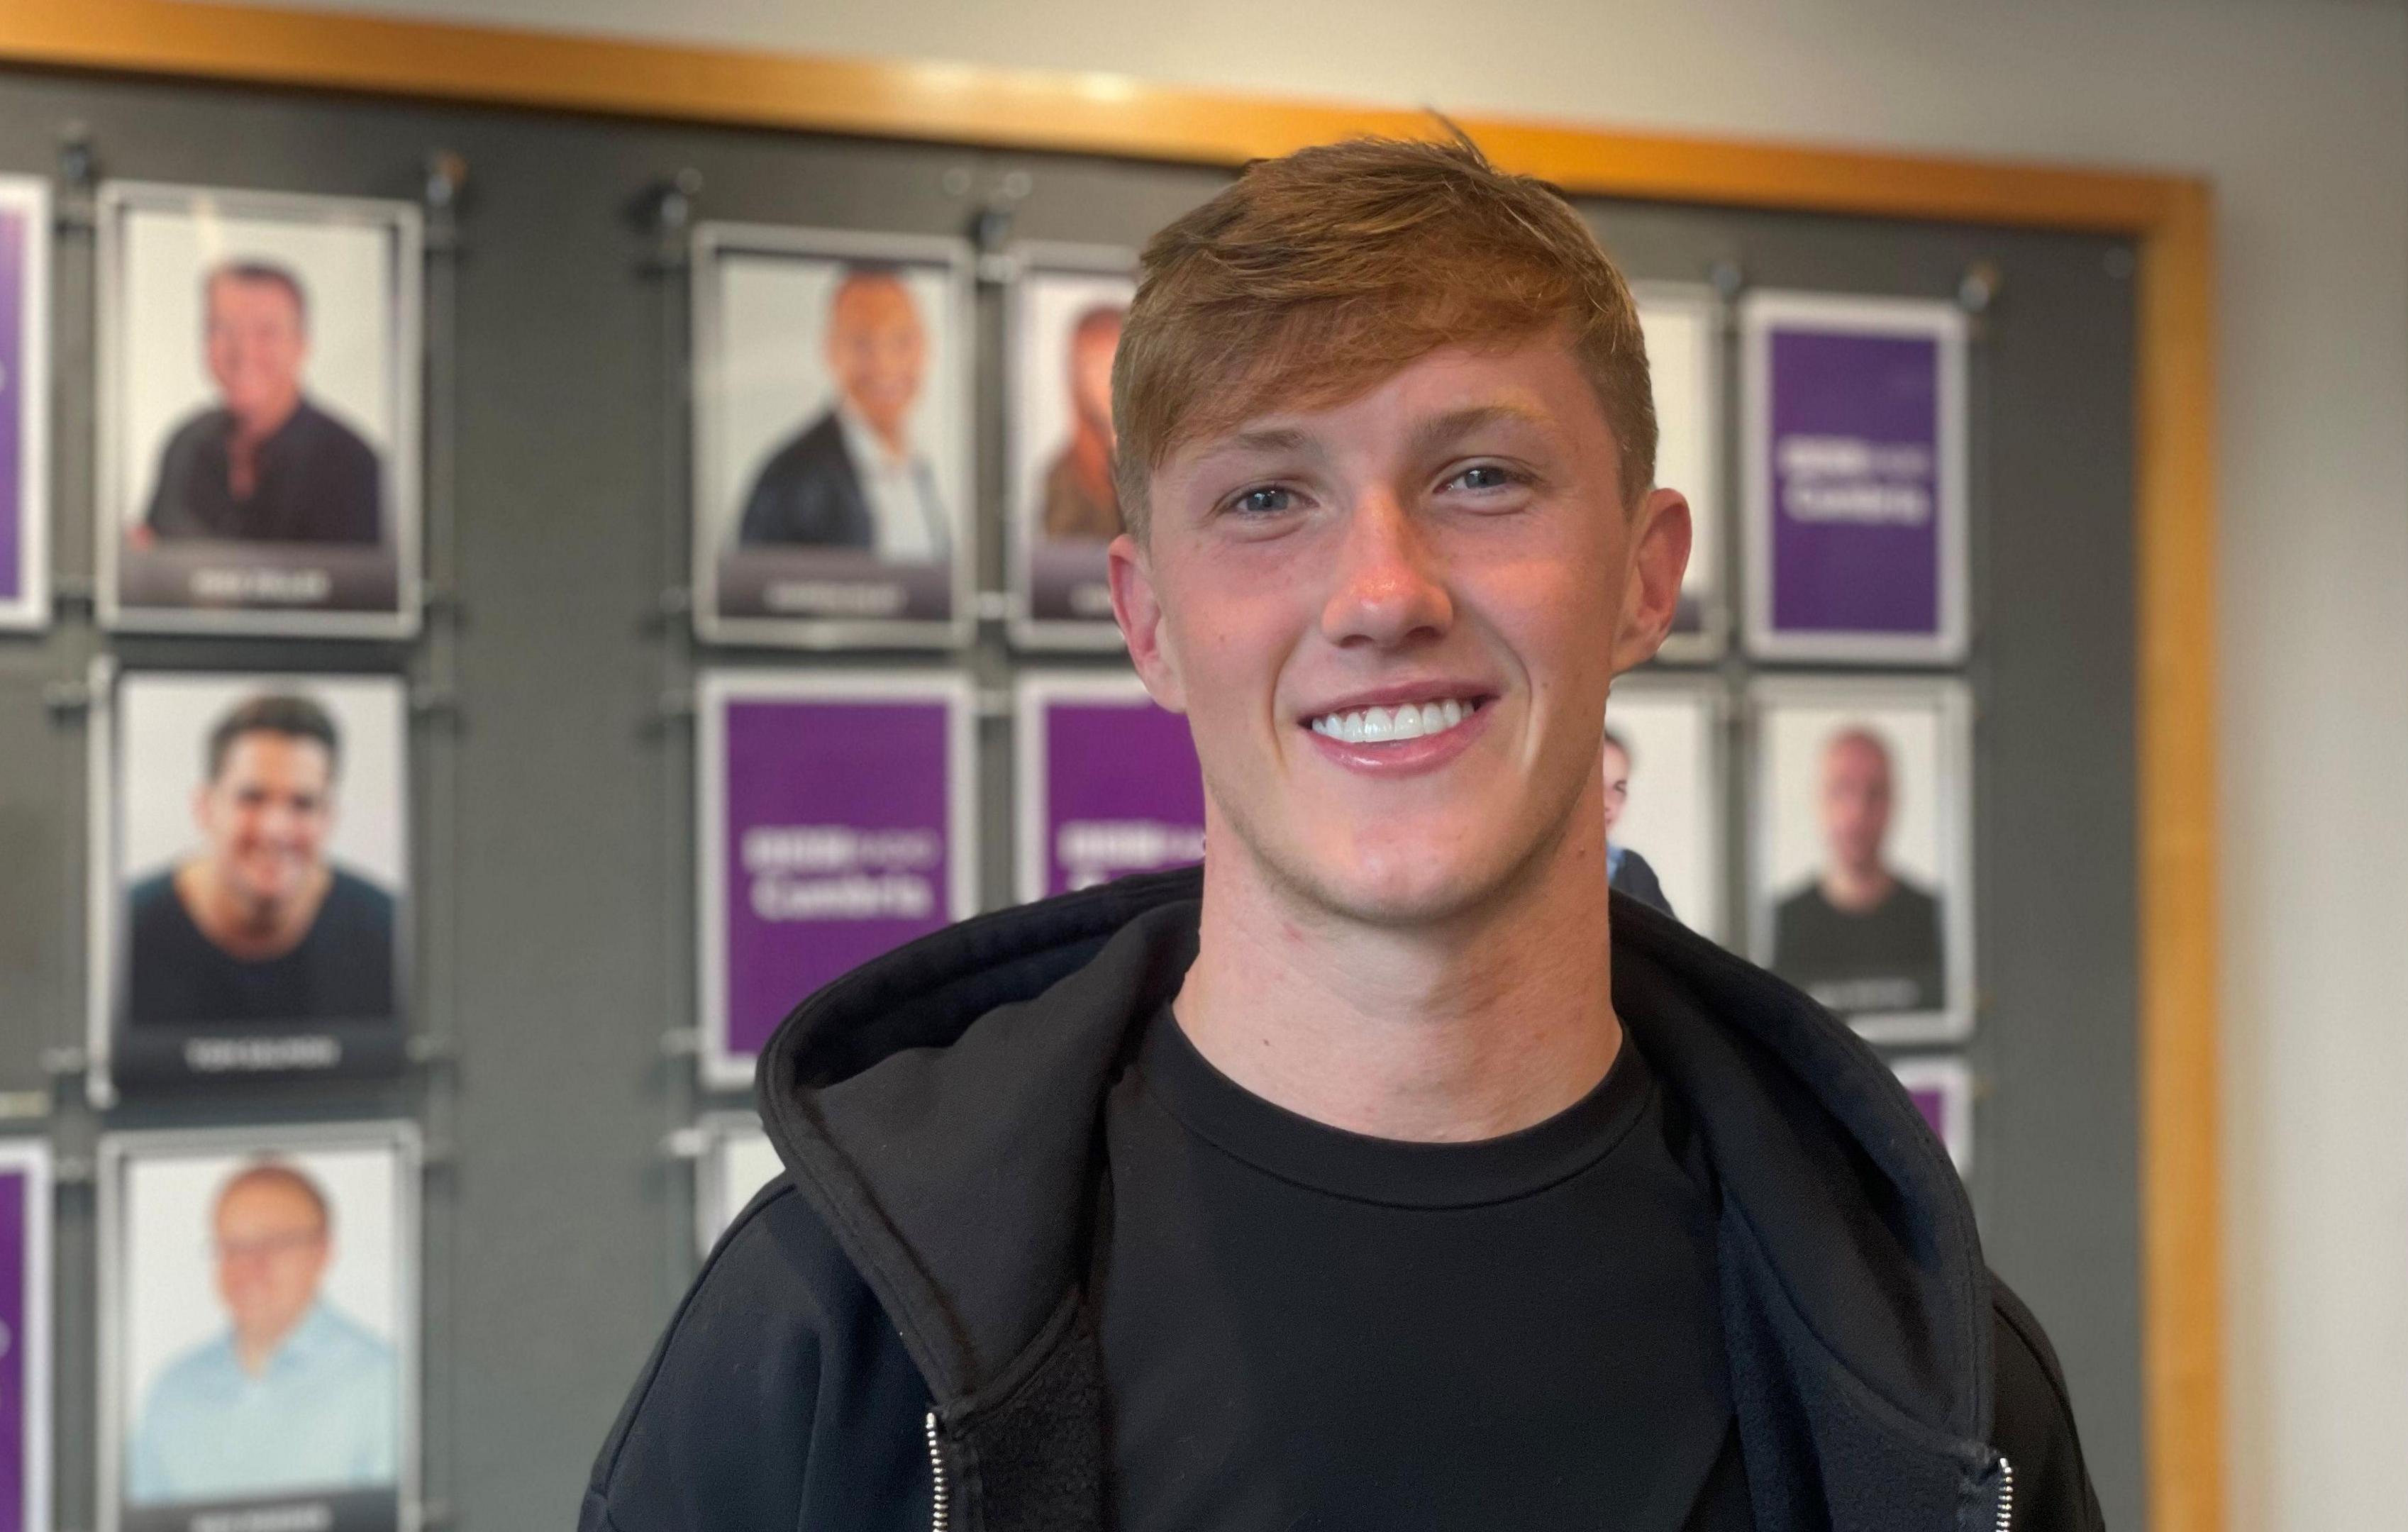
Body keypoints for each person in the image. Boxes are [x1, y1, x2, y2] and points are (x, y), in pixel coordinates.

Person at [584, 135, 2097, 1532]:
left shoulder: (1927, 1385)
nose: (1384, 594)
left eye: (1482, 477)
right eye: (1266, 496)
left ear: (1647, 578)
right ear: (1149, 621)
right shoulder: (830, 1334)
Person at [129, 1160, 396, 1503]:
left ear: (323, 1252)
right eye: (232, 1247)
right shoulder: (173, 1392)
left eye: (273, 1244)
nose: (248, 1268)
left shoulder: (382, 1383)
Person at [125, 693, 398, 1028]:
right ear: (205, 807)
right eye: (252, 798)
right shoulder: (119, 936)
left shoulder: (394, 938)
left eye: (303, 803)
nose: (275, 829)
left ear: (329, 818)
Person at [140, 260, 384, 545]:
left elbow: (365, 586)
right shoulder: (186, 443)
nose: (243, 351)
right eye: (223, 329)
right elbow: (154, 561)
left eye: (266, 332)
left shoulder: (353, 466)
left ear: (301, 344)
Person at [734, 264, 951, 562]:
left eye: (902, 340)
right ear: (832, 350)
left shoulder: (918, 468)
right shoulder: (792, 477)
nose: (885, 363)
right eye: (863, 342)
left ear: (925, 346)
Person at [1772, 724, 1948, 1013]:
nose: (1858, 811)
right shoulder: (1776, 927)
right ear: (1820, 799)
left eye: (1875, 792)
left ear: (1893, 802)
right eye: (1842, 789)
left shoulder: (1940, 922)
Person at [1038, 303, 1129, 541]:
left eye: (1113, 362)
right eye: (1093, 366)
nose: (1106, 380)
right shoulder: (1063, 474)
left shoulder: (1168, 458)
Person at [1600, 726, 1675, 918]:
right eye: (1596, 785)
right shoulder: (1537, 873)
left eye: (1618, 789)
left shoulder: (1635, 872)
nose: (1608, 802)